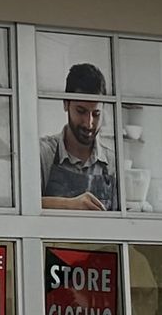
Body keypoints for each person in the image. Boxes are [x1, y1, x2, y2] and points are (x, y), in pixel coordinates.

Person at [40, 62, 117, 211]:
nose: (88, 123)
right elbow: (22, 204)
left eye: (96, 114)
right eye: (81, 111)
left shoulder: (113, 163)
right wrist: (69, 205)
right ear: (65, 104)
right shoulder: (44, 153)